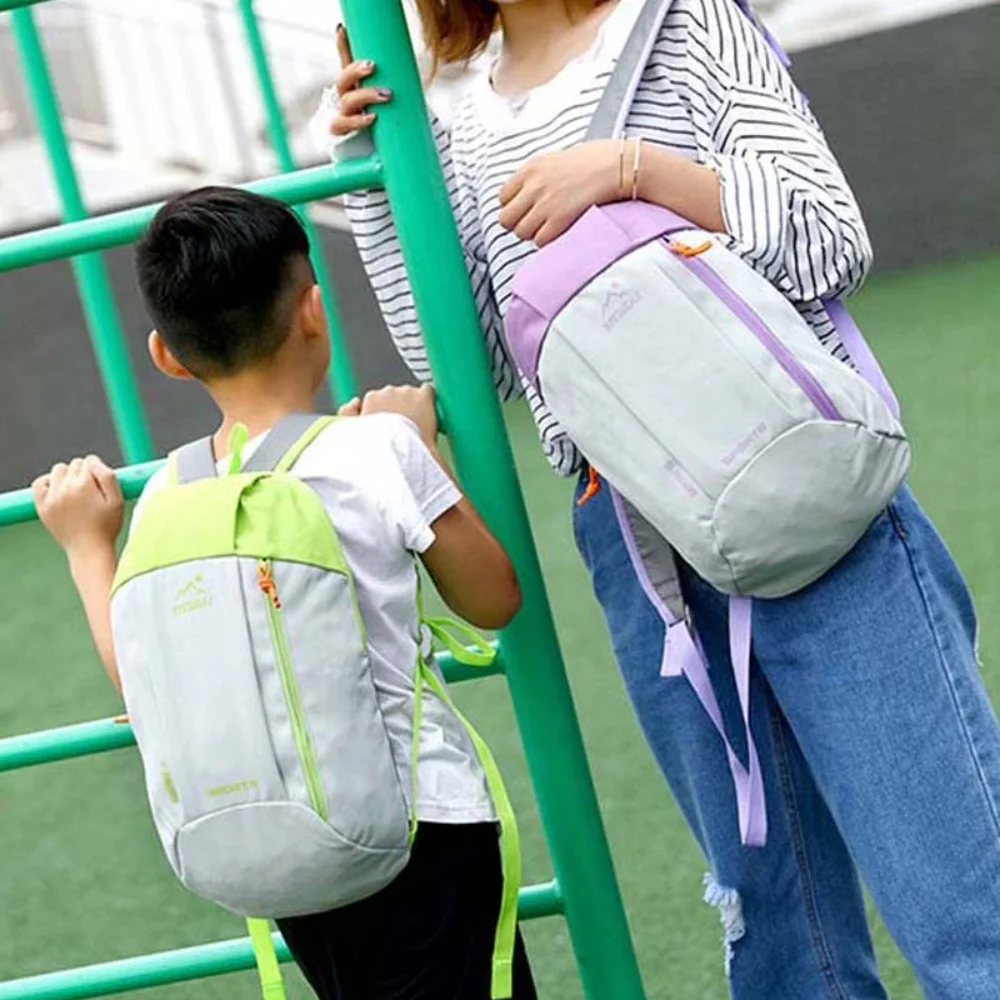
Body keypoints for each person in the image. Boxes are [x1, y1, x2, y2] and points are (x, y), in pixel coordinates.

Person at [315, 2, 1000, 997]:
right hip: (636, 539)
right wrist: (379, 169)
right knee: (778, 944)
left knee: (960, 902)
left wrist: (635, 174)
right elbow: (464, 359)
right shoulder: (454, 107)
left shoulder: (681, 24)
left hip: (802, 491)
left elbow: (824, 236)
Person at [31, 187, 537, 1000]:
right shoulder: (376, 450)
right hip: (422, 829)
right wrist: (423, 445)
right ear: (313, 310)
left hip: (287, 849)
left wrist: (90, 548)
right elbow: (492, 597)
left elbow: (143, 675)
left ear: (166, 354)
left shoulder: (168, 494)